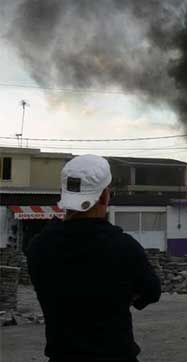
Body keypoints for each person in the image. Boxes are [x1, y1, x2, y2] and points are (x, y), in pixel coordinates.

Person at [27, 155, 161, 362]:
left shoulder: (38, 247)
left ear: (64, 193)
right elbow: (151, 292)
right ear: (104, 196)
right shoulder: (124, 247)